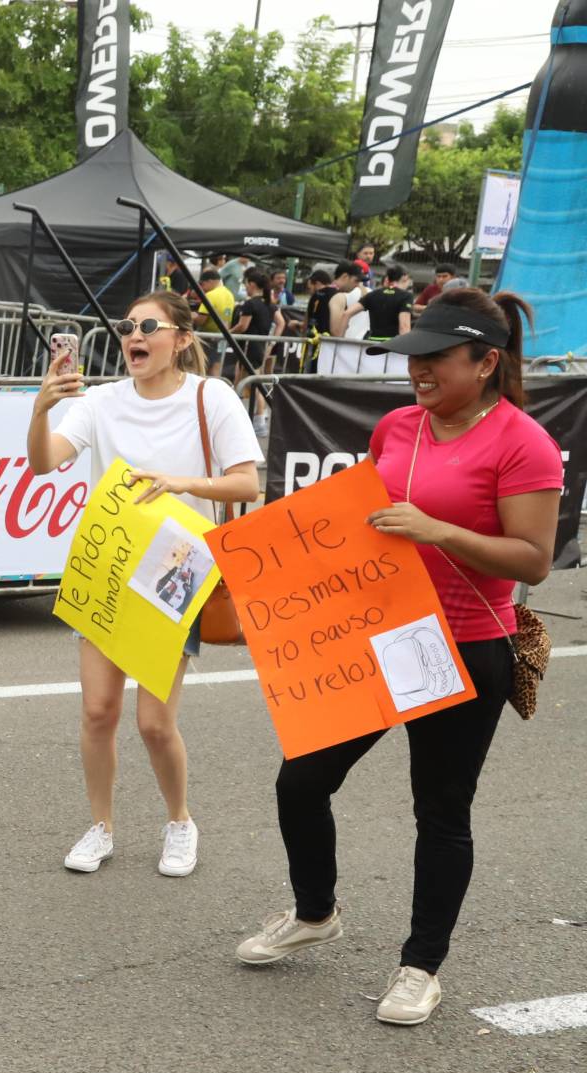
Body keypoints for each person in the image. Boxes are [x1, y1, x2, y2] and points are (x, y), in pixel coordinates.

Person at [236, 290, 563, 1025]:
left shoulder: (523, 443)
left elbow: (534, 559)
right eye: (411, 357)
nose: (416, 372)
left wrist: (437, 530)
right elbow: (364, 524)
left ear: (485, 362)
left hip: (469, 644)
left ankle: (421, 965)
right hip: (381, 635)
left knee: (441, 812)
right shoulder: (396, 427)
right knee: (301, 779)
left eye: (434, 358)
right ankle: (316, 910)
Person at [27, 292, 262, 877]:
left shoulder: (213, 397)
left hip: (175, 571)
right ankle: (101, 826)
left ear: (181, 338)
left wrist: (178, 482)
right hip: (105, 565)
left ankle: (180, 821)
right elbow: (43, 462)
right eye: (128, 326)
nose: (134, 335)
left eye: (149, 326)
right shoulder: (102, 401)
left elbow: (246, 486)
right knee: (98, 712)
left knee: (154, 723)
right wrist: (40, 410)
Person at [225, 268, 275, 380]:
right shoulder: (269, 304)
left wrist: (227, 333)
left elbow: (243, 326)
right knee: (244, 383)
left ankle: (261, 398)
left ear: (252, 284)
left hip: (250, 349)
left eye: (246, 284)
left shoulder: (250, 304)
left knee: (253, 385)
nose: (245, 287)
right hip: (258, 347)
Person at [359, 264, 415, 342]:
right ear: (404, 278)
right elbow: (404, 326)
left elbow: (347, 313)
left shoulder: (373, 294)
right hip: (392, 344)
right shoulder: (406, 296)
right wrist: (405, 349)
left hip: (372, 342)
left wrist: (339, 337)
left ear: (388, 278)